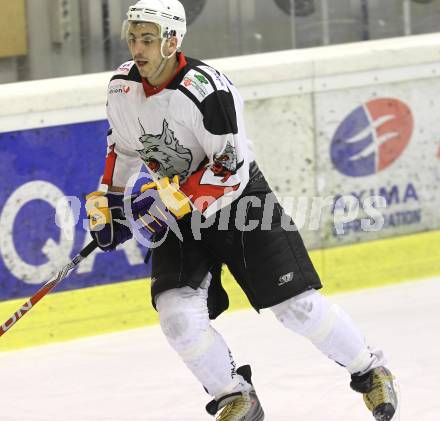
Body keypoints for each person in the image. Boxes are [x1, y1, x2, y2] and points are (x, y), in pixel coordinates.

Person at [85, 1, 398, 420]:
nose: (137, 49)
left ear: (172, 41)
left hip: (239, 202)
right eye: (133, 38)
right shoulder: (122, 87)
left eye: (148, 39)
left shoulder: (207, 90)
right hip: (183, 216)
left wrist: (163, 203)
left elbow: (228, 169)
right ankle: (235, 396)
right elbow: (122, 148)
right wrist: (111, 202)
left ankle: (370, 369)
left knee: (298, 309)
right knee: (176, 315)